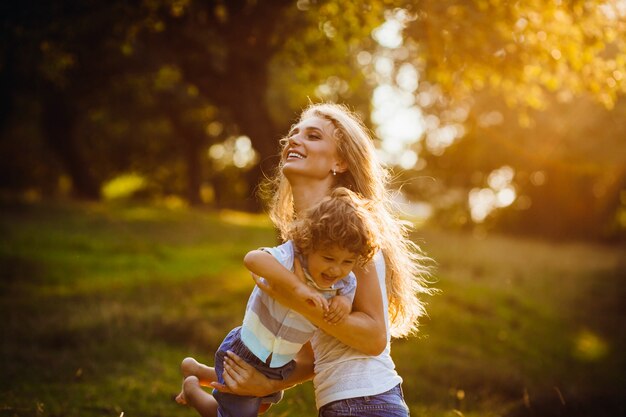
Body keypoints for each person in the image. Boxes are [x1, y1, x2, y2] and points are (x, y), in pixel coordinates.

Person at [204, 102, 435, 417]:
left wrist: (297, 297)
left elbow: (374, 337)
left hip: (368, 401)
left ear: (340, 161)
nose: (293, 140)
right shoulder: (306, 243)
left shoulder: (350, 230)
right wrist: (263, 385)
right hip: (339, 404)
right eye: (293, 135)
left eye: (312, 136)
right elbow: (314, 355)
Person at [176, 187, 380, 417]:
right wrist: (297, 287)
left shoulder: (345, 281)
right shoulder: (291, 256)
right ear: (308, 245)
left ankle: (200, 371)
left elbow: (348, 292)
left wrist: (343, 303)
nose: (336, 269)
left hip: (281, 361)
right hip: (249, 349)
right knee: (239, 414)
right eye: (328, 258)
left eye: (347, 261)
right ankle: (193, 390)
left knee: (258, 405)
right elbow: (253, 259)